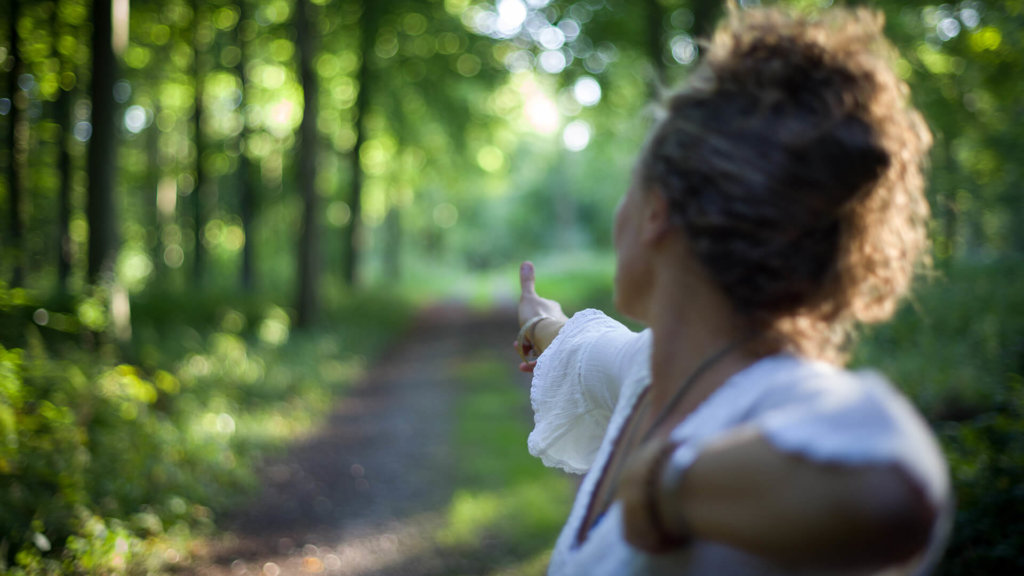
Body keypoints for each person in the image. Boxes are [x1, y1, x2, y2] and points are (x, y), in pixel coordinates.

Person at [512, 5, 951, 576]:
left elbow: (893, 492)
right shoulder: (655, 369)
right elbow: (585, 344)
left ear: (655, 215)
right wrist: (539, 322)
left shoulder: (779, 400)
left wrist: (661, 489)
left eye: (630, 190)